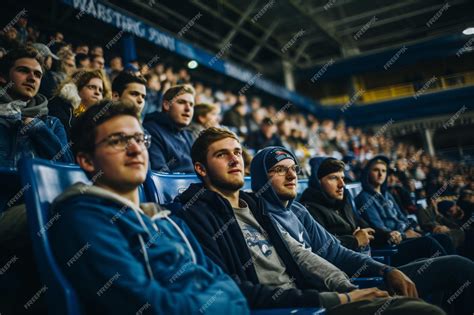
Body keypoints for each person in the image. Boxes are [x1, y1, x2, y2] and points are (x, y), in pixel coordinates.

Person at [173, 128, 445, 314]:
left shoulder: (255, 207)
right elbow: (230, 290)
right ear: (200, 168)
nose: (234, 158)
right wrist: (341, 298)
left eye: (236, 152)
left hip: (316, 298)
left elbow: (301, 255)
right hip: (293, 307)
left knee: (452, 269)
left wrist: (360, 285)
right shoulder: (195, 214)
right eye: (222, 154)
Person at [49, 100, 249, 314]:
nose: (136, 149)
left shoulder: (169, 219)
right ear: (87, 161)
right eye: (118, 141)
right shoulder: (84, 219)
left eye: (139, 139)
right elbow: (147, 306)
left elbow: (229, 288)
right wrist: (225, 306)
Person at [250, 146, 474, 314]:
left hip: (358, 278)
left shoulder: (298, 210)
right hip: (335, 295)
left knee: (457, 265)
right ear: (261, 178)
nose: (292, 176)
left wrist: (384, 270)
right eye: (279, 170)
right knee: (453, 272)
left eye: (294, 169)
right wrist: (353, 287)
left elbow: (336, 252)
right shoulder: (260, 218)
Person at [0, 46, 73, 313]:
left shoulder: (51, 124)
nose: (32, 78)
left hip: (38, 210)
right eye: (23, 71)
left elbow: (68, 171)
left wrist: (37, 129)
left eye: (38, 74)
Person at [300, 157, 453, 266]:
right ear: (318, 182)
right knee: (438, 253)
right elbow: (321, 248)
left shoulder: (343, 202)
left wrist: (388, 235)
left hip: (370, 256)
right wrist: (354, 241)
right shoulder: (309, 209)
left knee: (443, 244)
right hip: (359, 266)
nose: (341, 184)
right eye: (333, 178)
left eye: (343, 178)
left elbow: (367, 227)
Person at [355, 156, 456, 255]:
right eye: (376, 170)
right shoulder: (364, 198)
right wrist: (404, 235)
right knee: (429, 243)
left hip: (406, 233)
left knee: (444, 238)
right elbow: (379, 229)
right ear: (368, 173)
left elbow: (401, 216)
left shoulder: (387, 194)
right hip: (393, 245)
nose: (380, 174)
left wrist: (412, 229)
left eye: (384, 171)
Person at [143, 84, 195, 173]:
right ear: (166, 105)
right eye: (181, 102)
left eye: (191, 105)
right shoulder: (151, 130)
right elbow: (160, 175)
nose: (188, 108)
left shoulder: (189, 135)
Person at [48, 69, 111, 138]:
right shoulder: (60, 106)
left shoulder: (101, 119)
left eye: (100, 90)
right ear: (77, 89)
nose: (97, 92)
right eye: (92, 87)